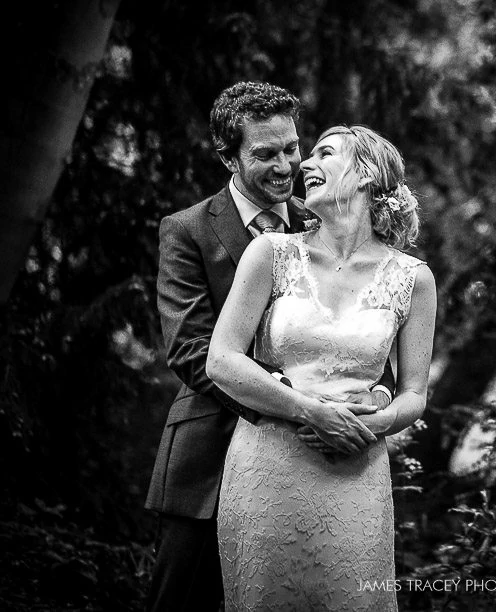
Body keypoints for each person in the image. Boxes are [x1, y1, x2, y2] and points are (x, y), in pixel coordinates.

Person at [144, 83, 395, 612]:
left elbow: (365, 334)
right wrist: (292, 404)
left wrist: (364, 400)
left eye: (292, 148)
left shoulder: (324, 220)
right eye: (265, 154)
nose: (286, 166)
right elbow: (191, 349)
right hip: (209, 460)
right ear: (228, 156)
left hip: (318, 463)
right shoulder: (188, 230)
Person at [206, 124, 436, 611]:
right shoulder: (270, 253)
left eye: (323, 154)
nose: (302, 165)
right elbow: (222, 361)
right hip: (267, 469)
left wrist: (379, 420)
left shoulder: (413, 279)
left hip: (356, 468)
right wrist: (310, 411)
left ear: (367, 174)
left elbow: (414, 392)